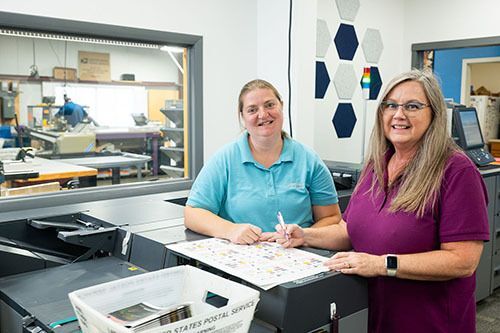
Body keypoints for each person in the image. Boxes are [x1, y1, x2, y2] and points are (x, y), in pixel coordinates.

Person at [277, 69, 489, 333]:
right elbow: (348, 230)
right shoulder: (377, 165)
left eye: (412, 106)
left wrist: (381, 264)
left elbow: (462, 260)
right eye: (390, 105)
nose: (399, 114)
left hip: (430, 323)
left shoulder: (456, 171)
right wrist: (305, 236)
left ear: (433, 113)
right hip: (377, 316)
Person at [184, 79, 341, 244]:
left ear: (281, 106)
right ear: (242, 117)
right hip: (241, 260)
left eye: (270, 105)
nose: (263, 114)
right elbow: (193, 213)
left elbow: (331, 217)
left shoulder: (309, 160)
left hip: (298, 256)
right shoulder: (225, 159)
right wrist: (230, 230)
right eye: (252, 110)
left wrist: (303, 236)